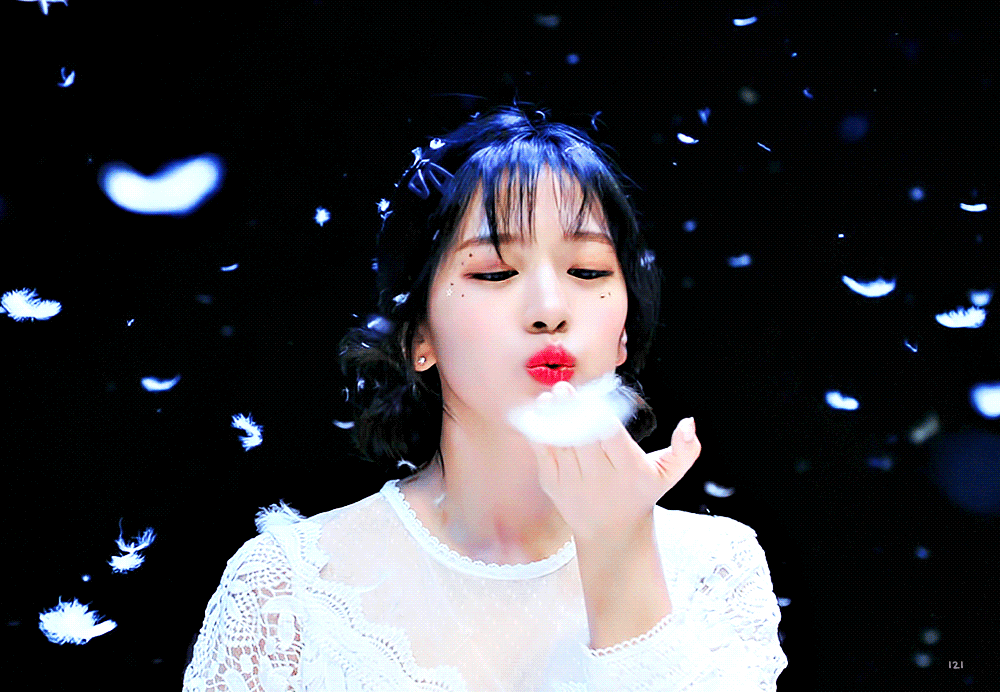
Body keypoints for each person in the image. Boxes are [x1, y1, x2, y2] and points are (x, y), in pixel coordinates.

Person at [182, 104, 789, 691]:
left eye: (588, 271)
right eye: (495, 273)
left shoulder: (713, 569)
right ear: (417, 334)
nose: (550, 310)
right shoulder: (289, 592)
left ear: (624, 331)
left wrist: (620, 550)